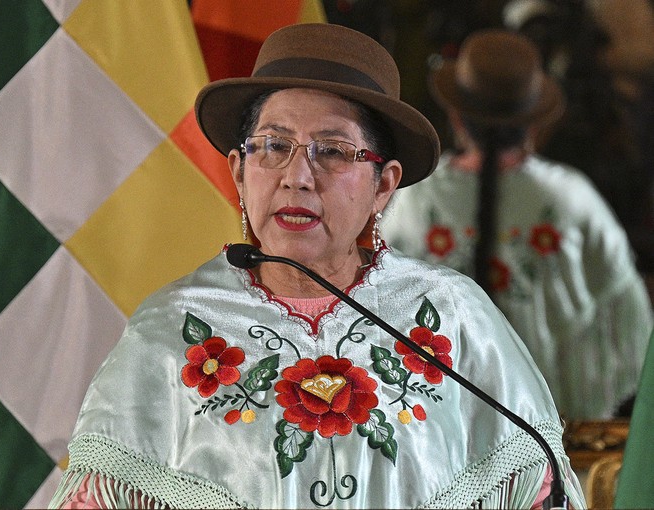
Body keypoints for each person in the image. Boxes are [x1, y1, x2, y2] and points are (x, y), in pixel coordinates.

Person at [49, 24, 585, 508]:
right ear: (239, 172)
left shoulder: (451, 317)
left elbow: (540, 491)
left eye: (332, 151)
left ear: (384, 184)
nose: (297, 176)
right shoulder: (171, 327)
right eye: (274, 146)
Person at [383, 29, 653, 420]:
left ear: (457, 116)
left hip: (442, 427)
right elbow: (630, 322)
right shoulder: (571, 198)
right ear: (532, 123)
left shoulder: (416, 198)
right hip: (547, 429)